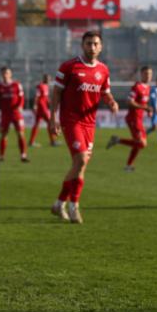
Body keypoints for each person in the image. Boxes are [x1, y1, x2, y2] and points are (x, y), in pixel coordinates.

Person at [48, 32, 119, 224]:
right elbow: (56, 93)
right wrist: (53, 117)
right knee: (80, 160)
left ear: (101, 47)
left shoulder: (103, 70)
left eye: (96, 44)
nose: (92, 47)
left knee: (80, 167)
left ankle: (59, 203)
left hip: (90, 124)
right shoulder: (69, 67)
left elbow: (105, 92)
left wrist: (112, 102)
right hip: (71, 121)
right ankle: (74, 207)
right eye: (89, 43)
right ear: (82, 45)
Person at [107, 66, 152, 171]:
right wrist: (144, 107)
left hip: (139, 120)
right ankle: (118, 140)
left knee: (138, 144)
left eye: (150, 74)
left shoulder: (148, 88)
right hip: (133, 119)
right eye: (146, 74)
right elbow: (129, 102)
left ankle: (128, 166)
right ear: (141, 74)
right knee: (141, 143)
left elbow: (144, 103)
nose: (148, 76)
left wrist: (148, 110)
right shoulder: (137, 87)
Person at [0, 67, 29, 163]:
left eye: (7, 73)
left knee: (20, 134)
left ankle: (23, 155)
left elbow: (21, 97)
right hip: (5, 114)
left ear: (10, 74)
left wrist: (20, 106)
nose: (5, 75)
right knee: (4, 134)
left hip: (16, 113)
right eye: (3, 73)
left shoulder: (17, 85)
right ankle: (1, 156)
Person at [28, 74, 57, 147]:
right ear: (44, 79)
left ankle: (31, 142)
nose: (48, 80)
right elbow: (37, 96)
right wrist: (35, 105)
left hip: (43, 107)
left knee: (37, 124)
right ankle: (53, 141)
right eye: (47, 78)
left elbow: (45, 98)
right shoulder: (40, 86)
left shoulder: (46, 86)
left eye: (49, 79)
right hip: (41, 108)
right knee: (50, 123)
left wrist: (49, 103)